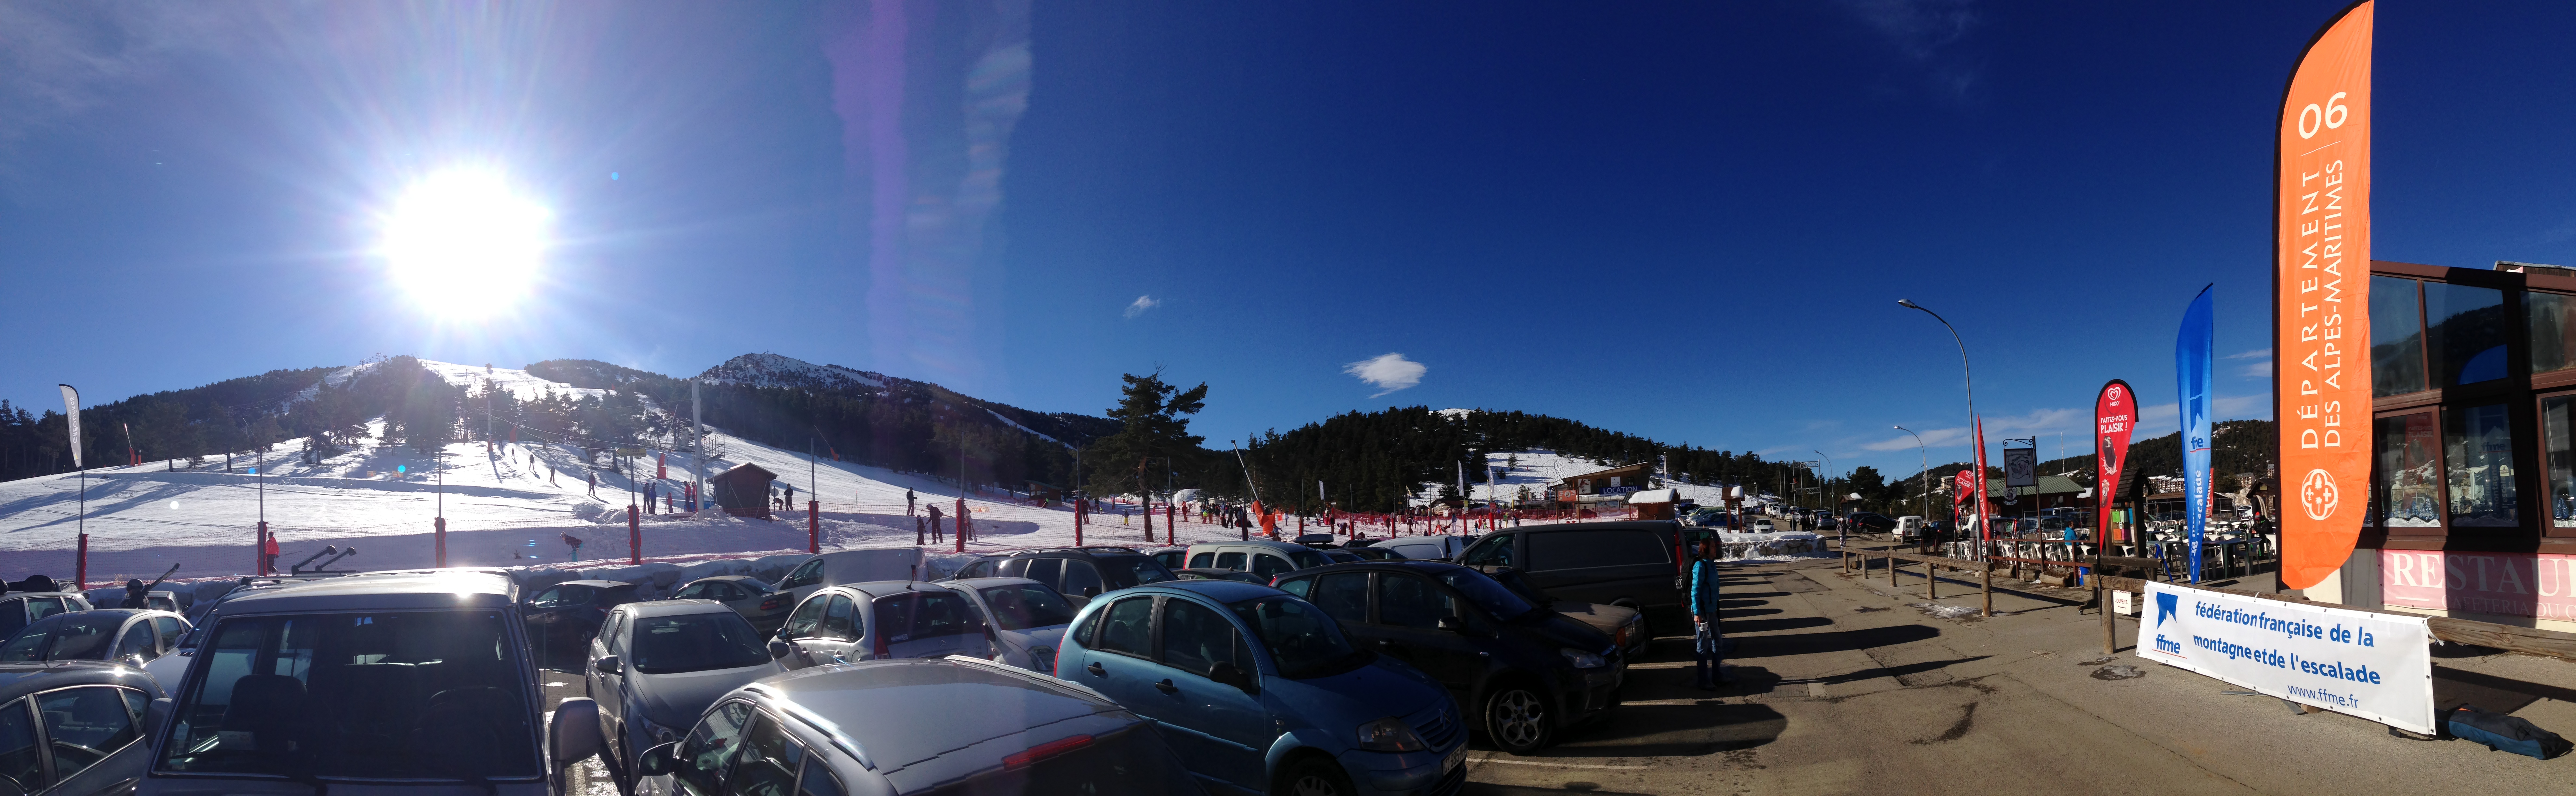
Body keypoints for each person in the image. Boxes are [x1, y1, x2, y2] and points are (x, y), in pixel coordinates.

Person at [1689, 536, 1730, 689]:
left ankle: (1717, 675)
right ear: (1706, 549)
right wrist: (1697, 613)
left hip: (1712, 611)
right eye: (1713, 547)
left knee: (1718, 642)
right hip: (1702, 613)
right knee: (1702, 645)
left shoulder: (1712, 565)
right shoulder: (1700, 566)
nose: (1716, 549)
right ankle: (1703, 681)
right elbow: (1695, 591)